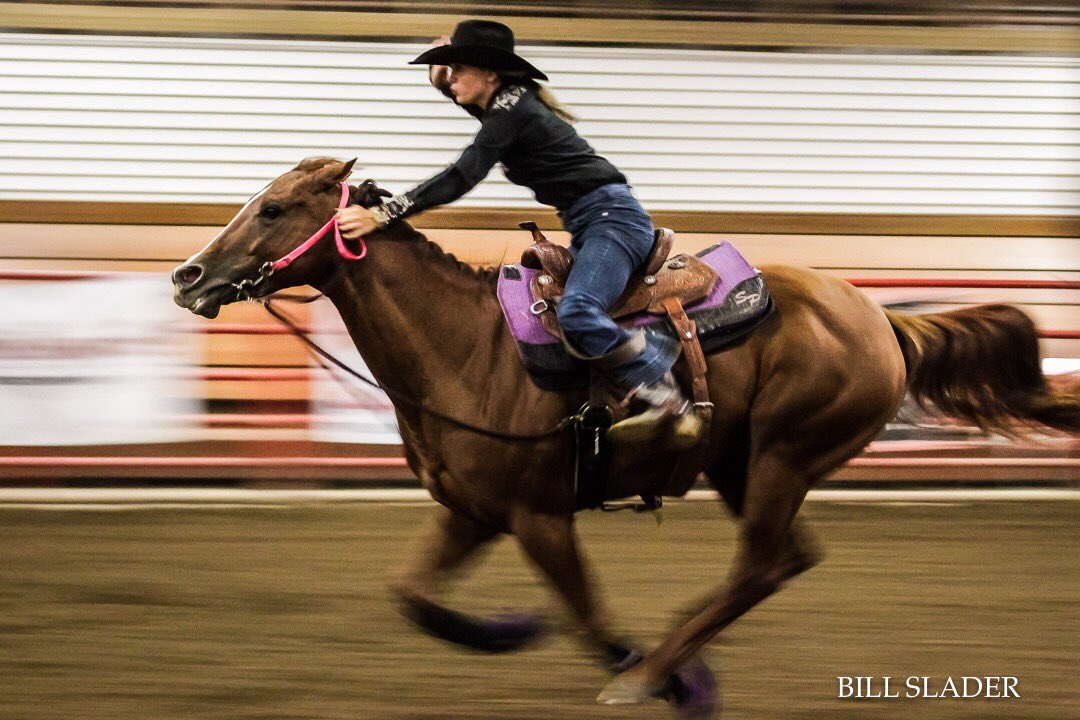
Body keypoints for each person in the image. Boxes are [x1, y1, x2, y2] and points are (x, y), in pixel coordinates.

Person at [337, 19, 700, 444]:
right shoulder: (510, 105)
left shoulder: (514, 110)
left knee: (578, 312)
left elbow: (462, 174)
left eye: (458, 71)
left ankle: (669, 396)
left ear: (490, 74)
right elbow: (484, 120)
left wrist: (385, 215)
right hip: (593, 221)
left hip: (613, 220)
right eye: (449, 72)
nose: (452, 80)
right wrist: (442, 83)